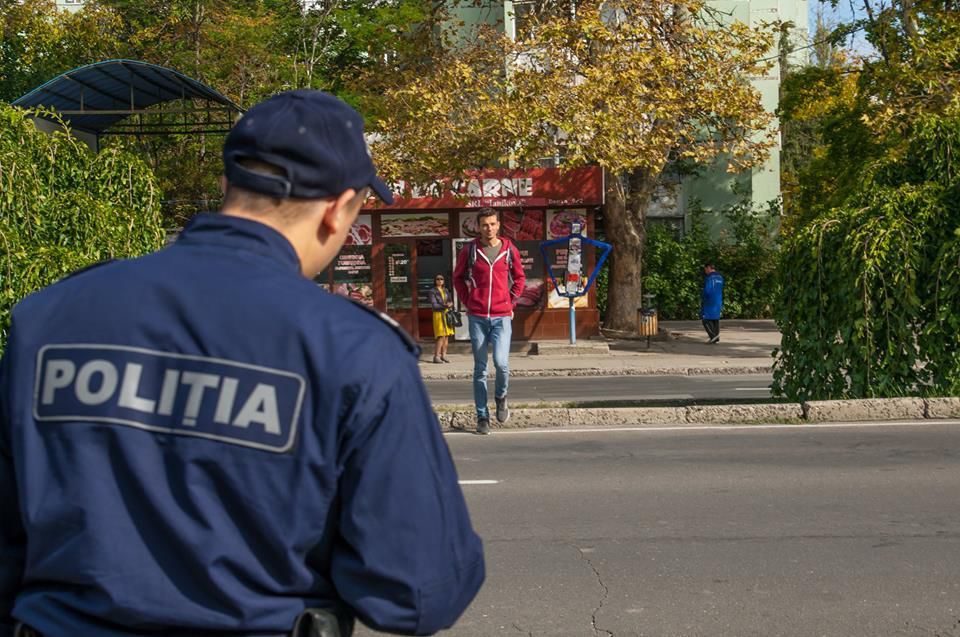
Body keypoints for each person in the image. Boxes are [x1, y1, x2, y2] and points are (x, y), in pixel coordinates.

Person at [0, 90, 484, 637]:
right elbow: (418, 593)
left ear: (229, 184)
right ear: (336, 209)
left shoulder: (50, 317)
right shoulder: (356, 352)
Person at [453, 208, 525, 435]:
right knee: (480, 369)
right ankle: (482, 416)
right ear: (478, 226)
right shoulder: (470, 250)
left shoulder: (508, 249)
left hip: (502, 316)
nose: (489, 228)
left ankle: (501, 397)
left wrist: (510, 302)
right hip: (477, 317)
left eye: (493, 224)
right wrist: (469, 301)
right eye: (485, 224)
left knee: (502, 363)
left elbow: (520, 277)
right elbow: (457, 278)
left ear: (498, 225)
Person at [428, 275, 455, 364]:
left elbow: (451, 301)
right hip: (438, 315)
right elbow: (434, 305)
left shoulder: (446, 290)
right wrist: (446, 305)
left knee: (446, 336)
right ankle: (436, 357)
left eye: (441, 279)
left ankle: (443, 356)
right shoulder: (432, 291)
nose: (440, 280)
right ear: (435, 280)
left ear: (444, 281)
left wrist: (450, 304)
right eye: (438, 279)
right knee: (440, 336)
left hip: (446, 315)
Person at [701, 263, 725, 344]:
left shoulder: (710, 277)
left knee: (705, 319)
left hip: (709, 301)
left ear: (708, 268)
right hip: (718, 300)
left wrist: (703, 297)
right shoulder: (720, 277)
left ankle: (713, 336)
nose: (705, 272)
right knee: (715, 319)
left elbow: (707, 290)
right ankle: (716, 337)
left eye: (705, 270)